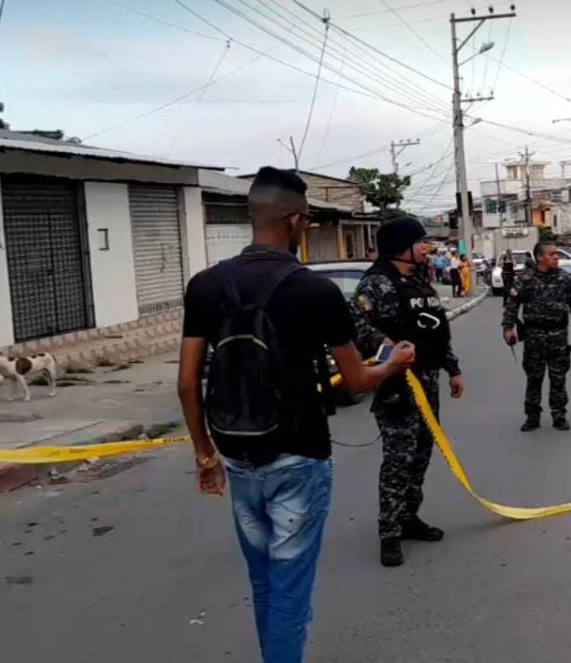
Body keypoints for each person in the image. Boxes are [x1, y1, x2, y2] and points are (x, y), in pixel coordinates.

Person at [177, 167, 415, 663]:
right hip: (300, 457)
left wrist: (205, 457)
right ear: (297, 221)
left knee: (264, 581)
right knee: (290, 591)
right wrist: (393, 364)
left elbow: (186, 382)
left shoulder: (204, 286)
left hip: (237, 455)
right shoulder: (316, 291)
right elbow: (355, 381)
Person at [351, 216, 465, 568]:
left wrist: (452, 368)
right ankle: (389, 532)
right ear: (401, 248)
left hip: (428, 381)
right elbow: (354, 323)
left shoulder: (420, 283)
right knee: (398, 458)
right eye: (419, 242)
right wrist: (383, 343)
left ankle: (409, 517)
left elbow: (436, 330)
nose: (425, 247)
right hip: (396, 384)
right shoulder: (376, 284)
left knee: (421, 453)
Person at [502, 242, 571, 431]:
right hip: (534, 336)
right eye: (551, 254)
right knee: (534, 378)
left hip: (558, 335)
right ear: (540, 257)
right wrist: (508, 328)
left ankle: (559, 415)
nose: (556, 257)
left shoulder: (564, 279)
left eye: (556, 254)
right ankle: (532, 417)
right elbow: (512, 305)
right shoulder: (525, 280)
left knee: (558, 378)